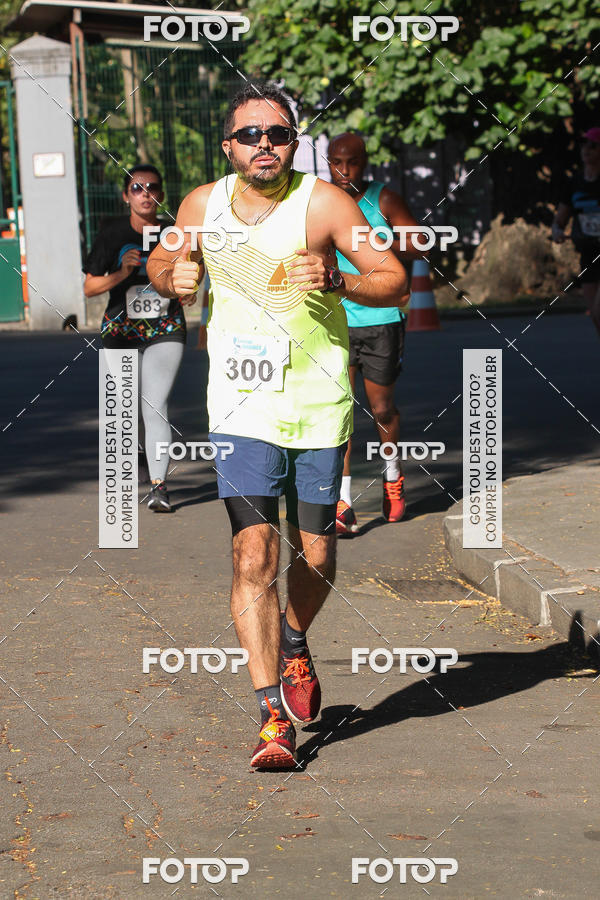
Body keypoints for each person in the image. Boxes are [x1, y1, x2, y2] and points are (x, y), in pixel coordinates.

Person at [147, 82, 409, 769]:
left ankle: (295, 643)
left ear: (293, 142)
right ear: (228, 145)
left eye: (279, 134)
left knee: (316, 556)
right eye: (251, 135)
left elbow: (393, 276)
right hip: (238, 405)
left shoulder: (323, 202)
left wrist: (339, 278)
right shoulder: (201, 205)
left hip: (318, 403)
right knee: (253, 554)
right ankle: (271, 718)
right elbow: (161, 261)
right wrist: (170, 276)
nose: (266, 145)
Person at [83, 164, 195, 512]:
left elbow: (196, 267)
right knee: (123, 410)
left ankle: (160, 487)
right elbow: (89, 288)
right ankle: (133, 469)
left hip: (165, 327)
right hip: (120, 328)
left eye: (152, 187)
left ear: (161, 195)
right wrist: (124, 272)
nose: (145, 193)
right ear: (125, 196)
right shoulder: (112, 233)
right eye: (137, 188)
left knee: (154, 404)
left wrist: (189, 287)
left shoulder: (173, 232)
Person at [327, 132, 423, 535]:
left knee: (381, 410)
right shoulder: (323, 202)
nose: (343, 171)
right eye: (336, 162)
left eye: (351, 162)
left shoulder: (383, 199)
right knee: (339, 411)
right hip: (335, 321)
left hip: (381, 320)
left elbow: (419, 243)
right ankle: (342, 499)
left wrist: (385, 242)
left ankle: (392, 476)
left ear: (365, 162)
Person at [552, 126, 600, 338]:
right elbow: (560, 220)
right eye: (584, 145)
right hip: (588, 254)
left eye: (593, 146)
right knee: (595, 316)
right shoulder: (574, 183)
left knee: (599, 311)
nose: (587, 150)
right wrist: (557, 232)